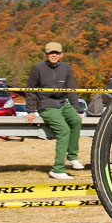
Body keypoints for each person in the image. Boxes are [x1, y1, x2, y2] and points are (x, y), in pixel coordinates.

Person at [25, 42, 84, 179]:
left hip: (62, 104)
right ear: (46, 54)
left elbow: (72, 90)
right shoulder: (37, 68)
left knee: (76, 120)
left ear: (61, 54)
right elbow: (30, 89)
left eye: (57, 53)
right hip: (46, 105)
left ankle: (72, 156)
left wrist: (76, 109)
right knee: (64, 130)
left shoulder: (66, 68)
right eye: (51, 53)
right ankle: (57, 169)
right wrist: (30, 110)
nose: (54, 55)